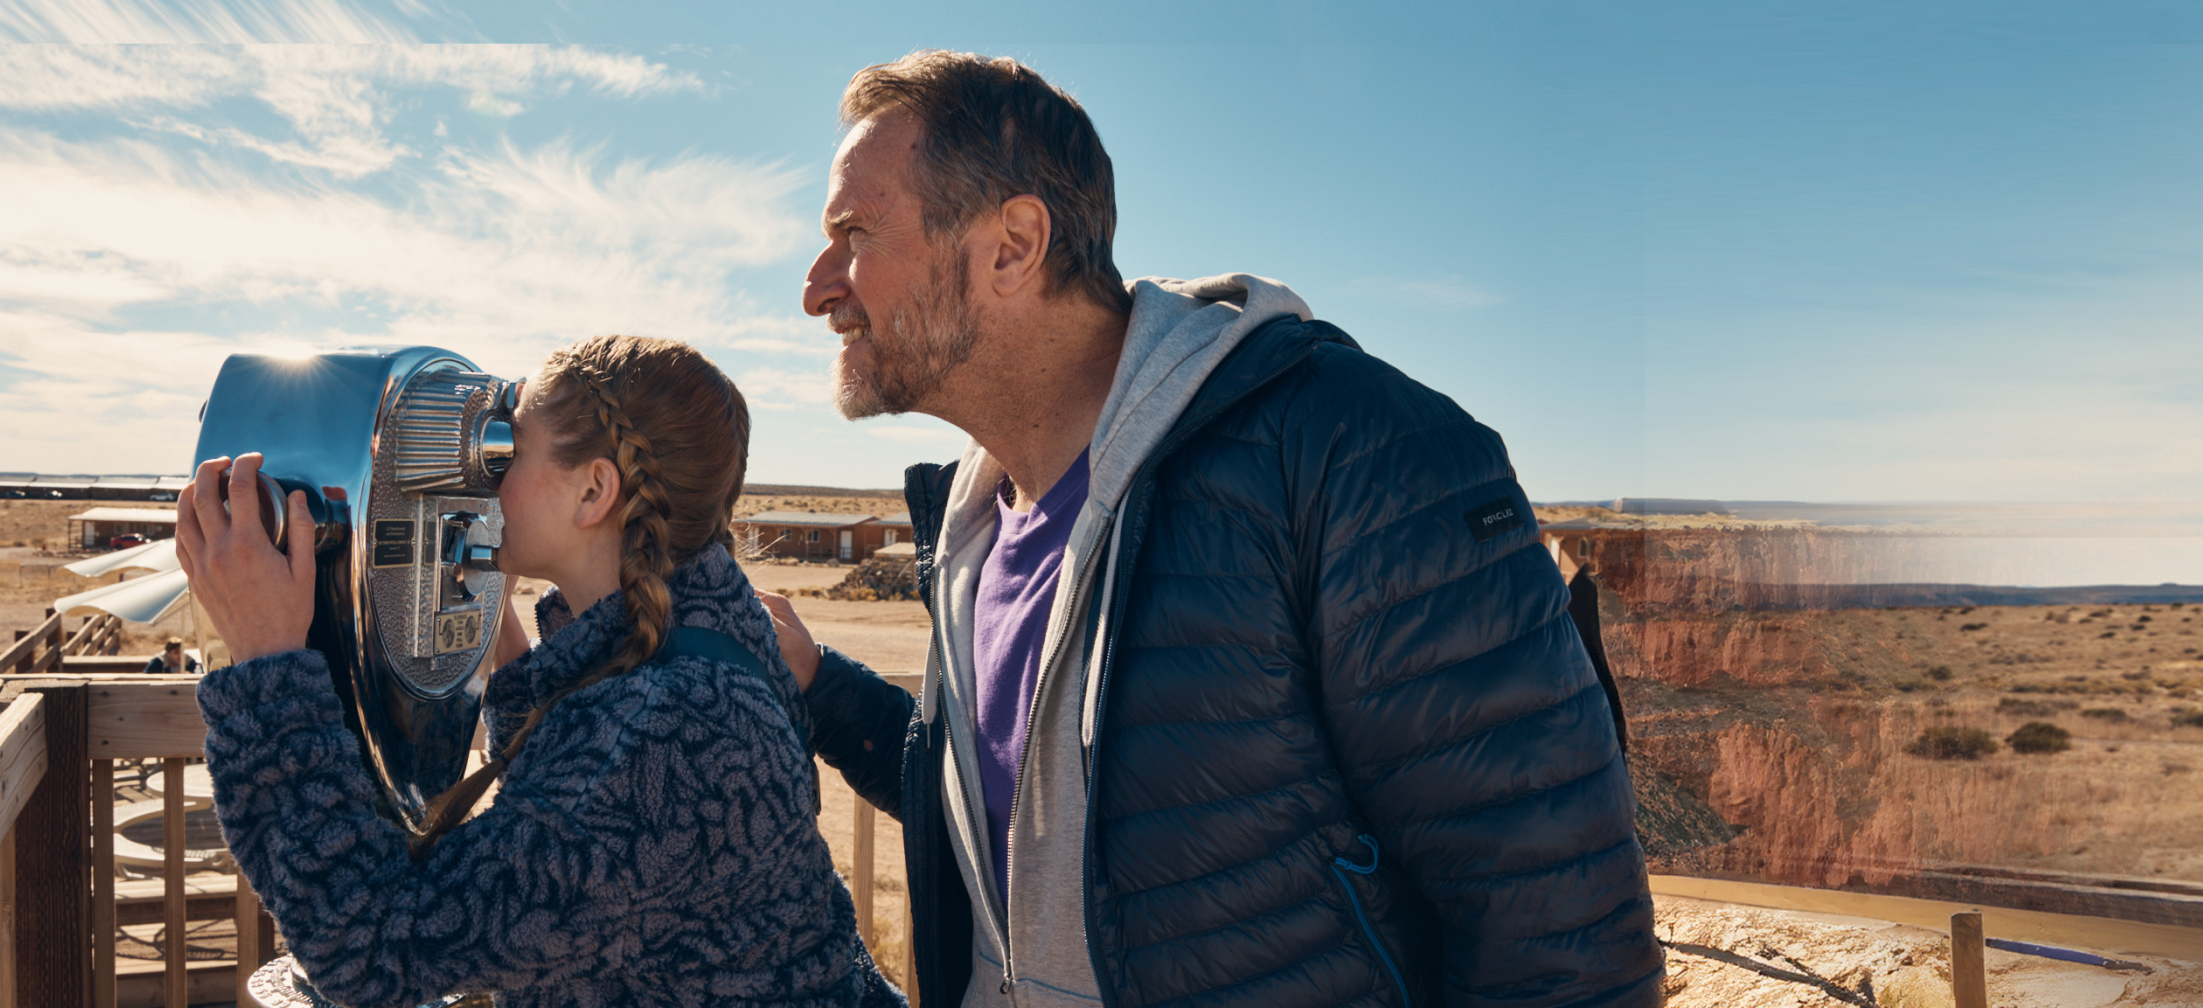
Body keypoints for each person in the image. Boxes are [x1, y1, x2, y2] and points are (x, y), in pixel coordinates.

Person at [767, 51, 1661, 1008]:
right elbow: (1028, 833)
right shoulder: (972, 528)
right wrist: (821, 687)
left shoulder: (1347, 452)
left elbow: (1561, 936)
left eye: (854, 234)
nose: (817, 288)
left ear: (1013, 246)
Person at [179, 336, 903, 1008]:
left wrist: (268, 665)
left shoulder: (667, 732)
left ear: (593, 491)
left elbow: (371, 948)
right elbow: (568, 829)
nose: (483, 479)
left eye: (508, 450)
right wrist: (485, 613)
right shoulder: (714, 634)